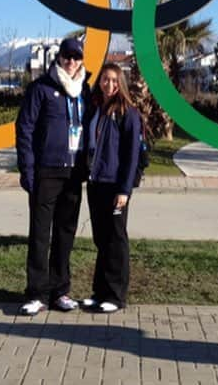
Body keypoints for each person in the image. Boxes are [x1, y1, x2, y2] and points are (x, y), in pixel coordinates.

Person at [16, 37, 90, 316]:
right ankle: (36, 293)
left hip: (73, 173)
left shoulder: (85, 90)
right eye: (67, 56)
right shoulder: (41, 89)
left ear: (81, 60)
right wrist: (28, 169)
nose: (71, 62)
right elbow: (24, 129)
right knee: (39, 234)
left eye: (76, 57)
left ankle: (61, 291)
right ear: (58, 58)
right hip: (46, 171)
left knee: (65, 234)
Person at [80, 62, 141, 314]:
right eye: (106, 79)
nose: (109, 84)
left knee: (116, 240)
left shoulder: (128, 113)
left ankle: (116, 295)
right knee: (101, 240)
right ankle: (100, 291)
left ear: (121, 83)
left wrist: (125, 190)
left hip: (115, 185)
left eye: (115, 80)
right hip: (96, 184)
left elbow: (132, 155)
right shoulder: (95, 108)